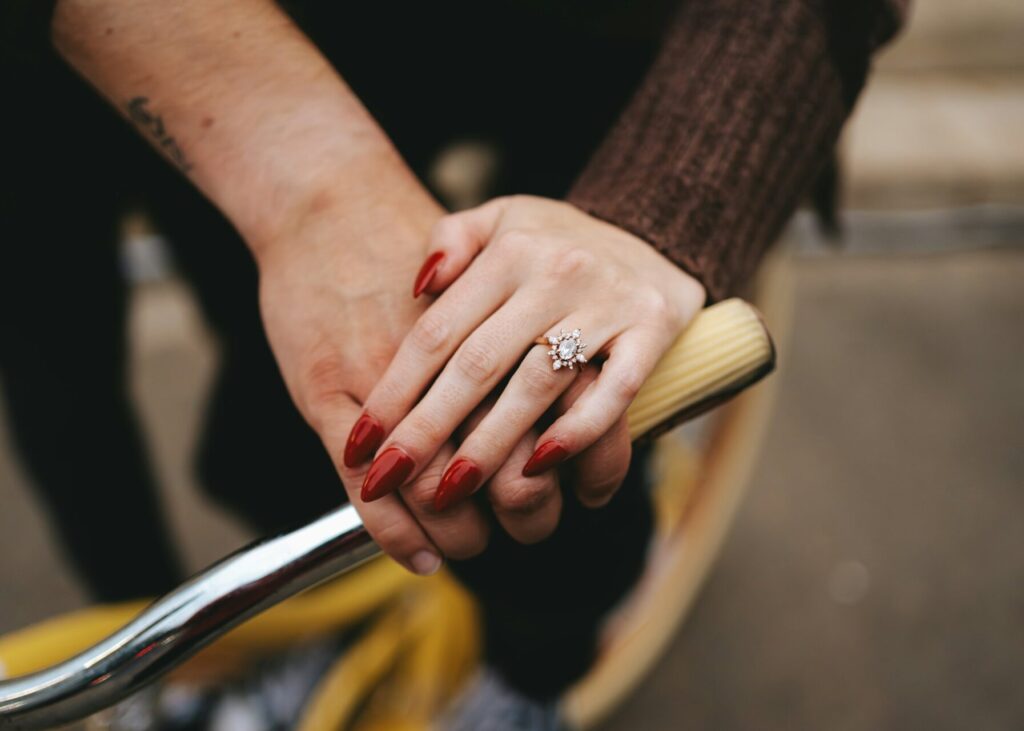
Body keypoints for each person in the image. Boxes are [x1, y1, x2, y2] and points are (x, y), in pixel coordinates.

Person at [0, 0, 907, 722]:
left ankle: (534, 673)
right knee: (294, 405)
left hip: (612, 28)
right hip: (206, 42)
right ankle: (196, 661)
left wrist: (659, 213)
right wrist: (311, 180)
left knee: (531, 434)